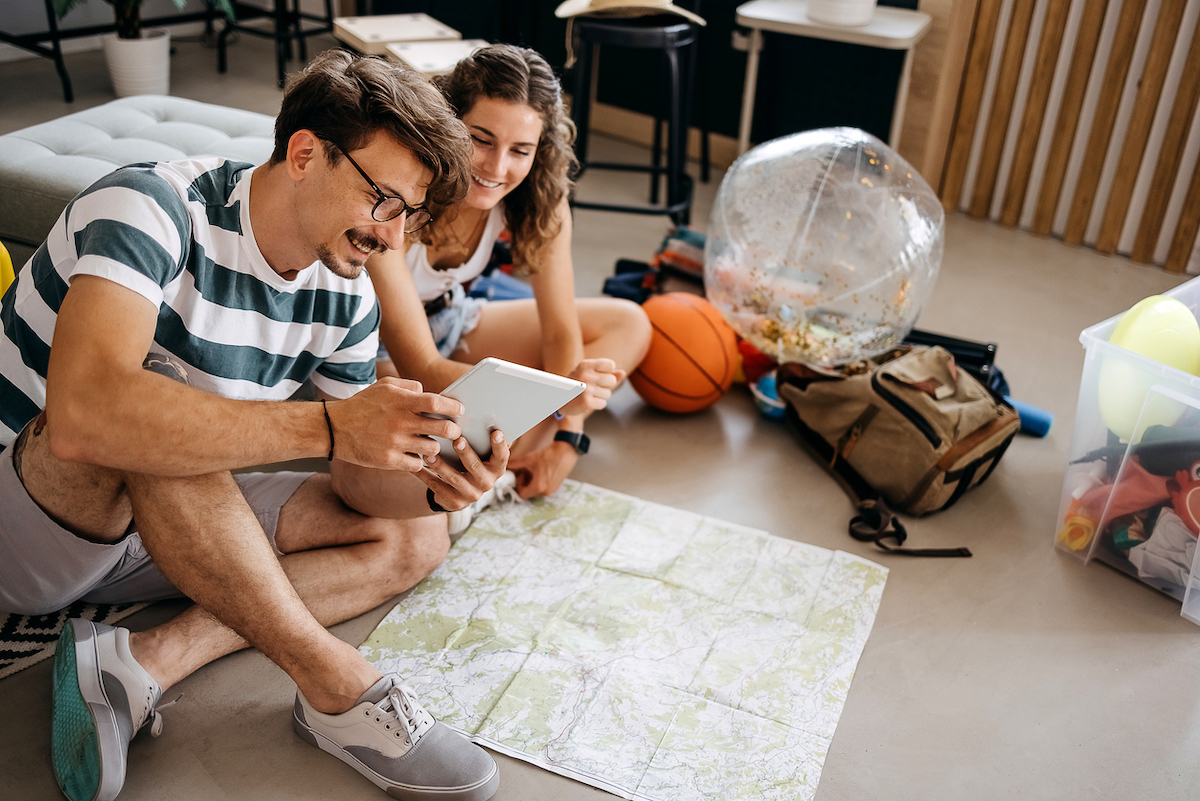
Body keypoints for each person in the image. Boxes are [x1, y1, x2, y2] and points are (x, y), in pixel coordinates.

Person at [0, 51, 507, 801]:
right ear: (306, 153)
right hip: (29, 521)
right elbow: (83, 418)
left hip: (162, 525)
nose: (393, 239)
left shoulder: (345, 295)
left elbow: (356, 482)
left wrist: (433, 483)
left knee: (412, 535)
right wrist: (332, 425)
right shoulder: (150, 206)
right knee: (152, 395)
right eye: (384, 202)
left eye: (409, 216)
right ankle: (335, 681)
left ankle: (142, 662)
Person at [368, 44, 652, 500]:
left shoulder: (539, 198)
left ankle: (528, 451)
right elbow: (419, 364)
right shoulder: (403, 188)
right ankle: (513, 452)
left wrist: (568, 433)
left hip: (451, 318)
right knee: (443, 434)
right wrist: (556, 398)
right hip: (378, 347)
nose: (497, 168)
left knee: (630, 322)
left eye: (520, 150)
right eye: (480, 139)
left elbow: (561, 335)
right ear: (448, 121)